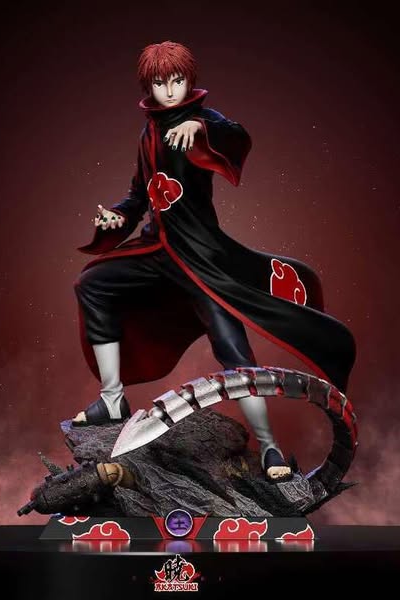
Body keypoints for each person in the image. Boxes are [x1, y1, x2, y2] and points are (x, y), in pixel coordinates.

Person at [71, 41, 356, 482]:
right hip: (157, 252)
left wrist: (200, 129)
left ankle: (269, 448)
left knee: (234, 353)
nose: (170, 90)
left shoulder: (204, 121)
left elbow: (236, 135)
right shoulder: (147, 135)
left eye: (177, 81)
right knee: (92, 284)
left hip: (202, 262)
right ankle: (112, 399)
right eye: (161, 83)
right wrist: (117, 217)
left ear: (190, 81)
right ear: (149, 86)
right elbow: (138, 196)